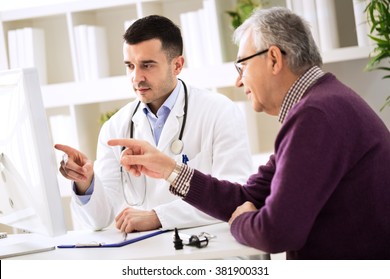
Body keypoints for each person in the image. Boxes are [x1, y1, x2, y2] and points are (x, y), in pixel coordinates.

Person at [108, 7, 390, 259]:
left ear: (274, 59)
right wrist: (169, 169)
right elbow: (247, 194)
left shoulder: (316, 115)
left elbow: (276, 232)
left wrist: (239, 222)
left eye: (242, 65)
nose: (238, 79)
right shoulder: (322, 104)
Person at [55, 15, 253, 233]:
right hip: (148, 255)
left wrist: (159, 217)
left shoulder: (220, 111)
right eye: (130, 66)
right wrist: (85, 182)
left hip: (208, 252)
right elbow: (100, 219)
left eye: (147, 65)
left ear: (177, 65)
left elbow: (235, 196)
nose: (136, 77)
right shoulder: (115, 128)